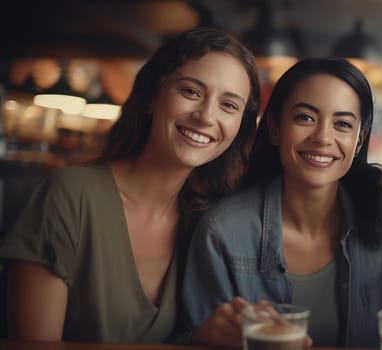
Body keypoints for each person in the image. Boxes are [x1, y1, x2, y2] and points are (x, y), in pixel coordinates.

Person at [0, 27, 260, 343]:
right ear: (152, 96)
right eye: (191, 91)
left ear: (238, 128)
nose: (206, 116)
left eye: (229, 105)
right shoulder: (70, 195)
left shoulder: (207, 223)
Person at [182, 57, 382, 347]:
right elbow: (194, 334)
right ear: (274, 128)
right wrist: (205, 336)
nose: (322, 137)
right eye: (305, 118)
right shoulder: (223, 232)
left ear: (359, 142)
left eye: (343, 124)